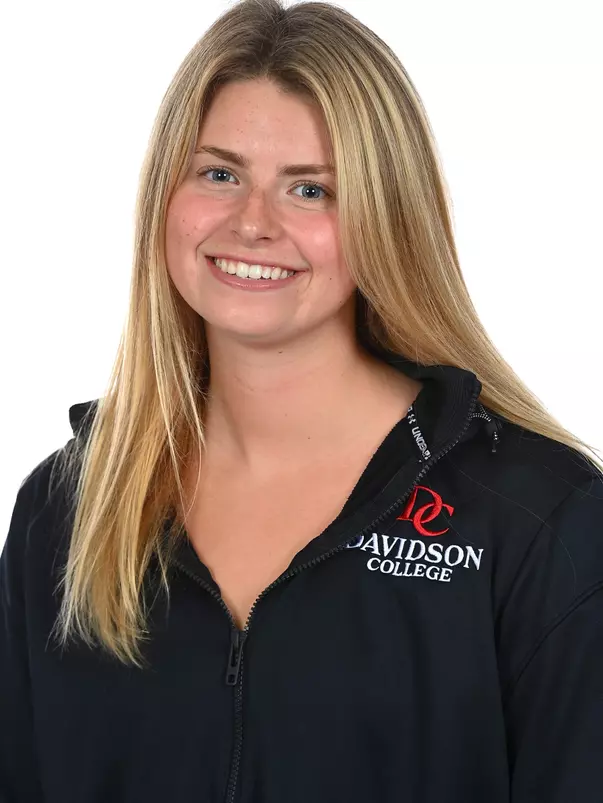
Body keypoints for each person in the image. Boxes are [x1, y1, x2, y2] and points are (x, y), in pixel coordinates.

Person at [2, 0, 602, 800]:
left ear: (388, 215)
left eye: (311, 190)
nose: (252, 222)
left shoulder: (537, 519)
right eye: (219, 173)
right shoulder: (69, 507)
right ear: (165, 198)